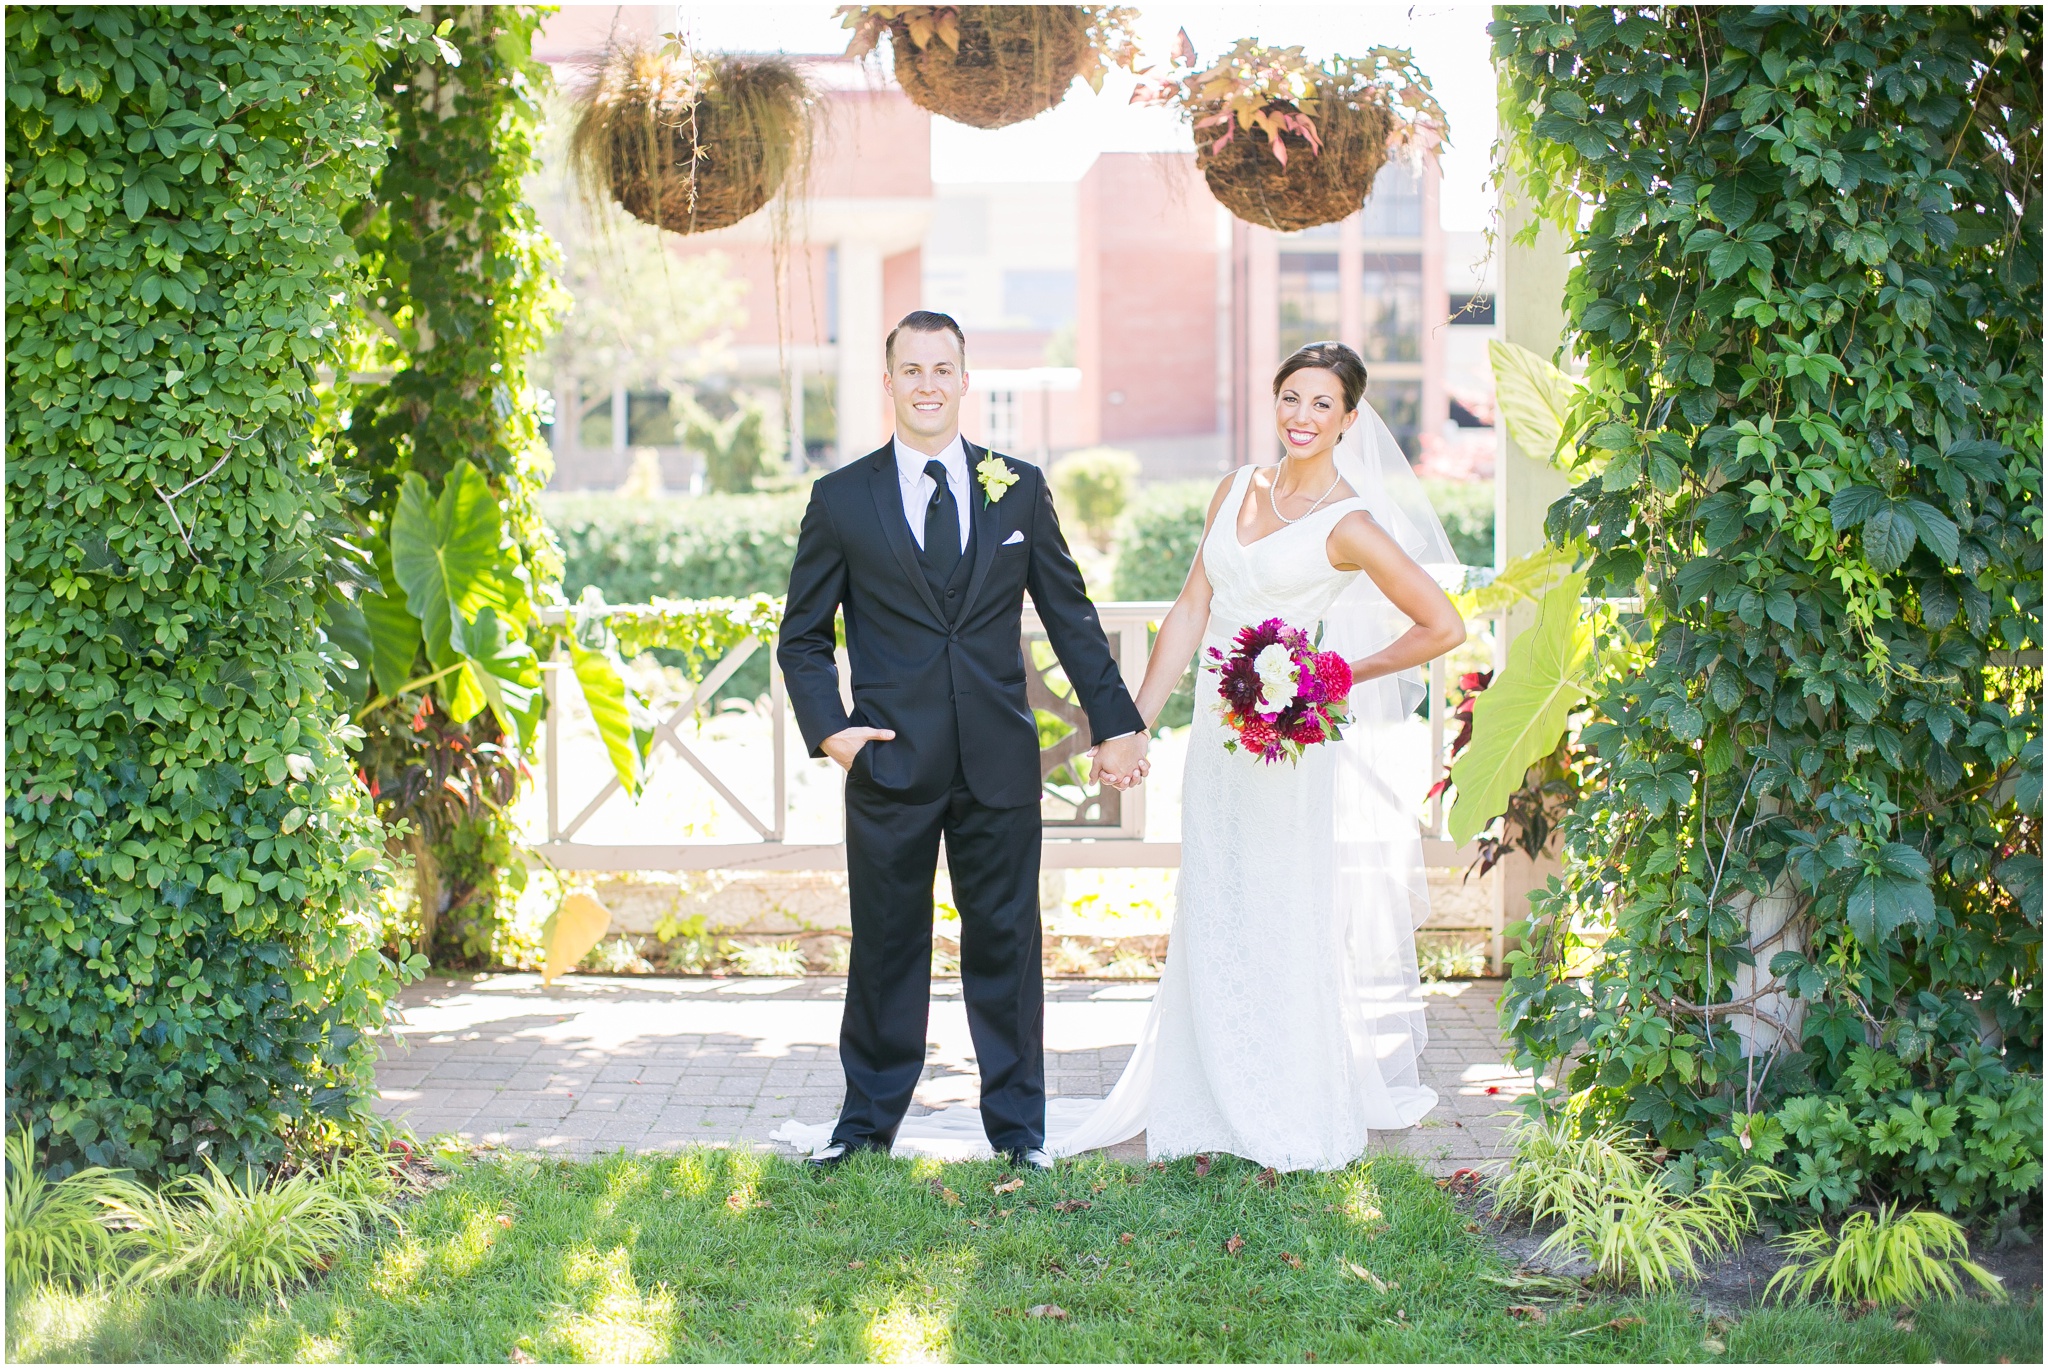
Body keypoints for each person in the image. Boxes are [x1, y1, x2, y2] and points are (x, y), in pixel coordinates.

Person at [1056, 340, 1468, 1169]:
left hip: (1287, 749)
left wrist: (1337, 672)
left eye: (1322, 404)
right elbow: (1189, 610)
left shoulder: (1349, 522)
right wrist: (1131, 721)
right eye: (1290, 397)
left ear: (1349, 419)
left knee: (1279, 908)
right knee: (1215, 900)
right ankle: (1203, 1095)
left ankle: (1281, 1101)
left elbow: (1442, 624)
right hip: (1215, 736)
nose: (1302, 417)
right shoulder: (1235, 488)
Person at [774, 311, 1151, 1170]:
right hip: (889, 762)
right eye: (912, 370)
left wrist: (1116, 720)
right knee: (885, 949)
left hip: (998, 764)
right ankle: (863, 1130)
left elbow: (1070, 613)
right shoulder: (841, 498)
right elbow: (801, 636)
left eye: (943, 369)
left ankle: (1020, 1135)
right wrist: (834, 734)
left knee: (1008, 949)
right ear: (890, 382)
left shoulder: (1016, 485)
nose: (929, 385)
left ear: (965, 379)